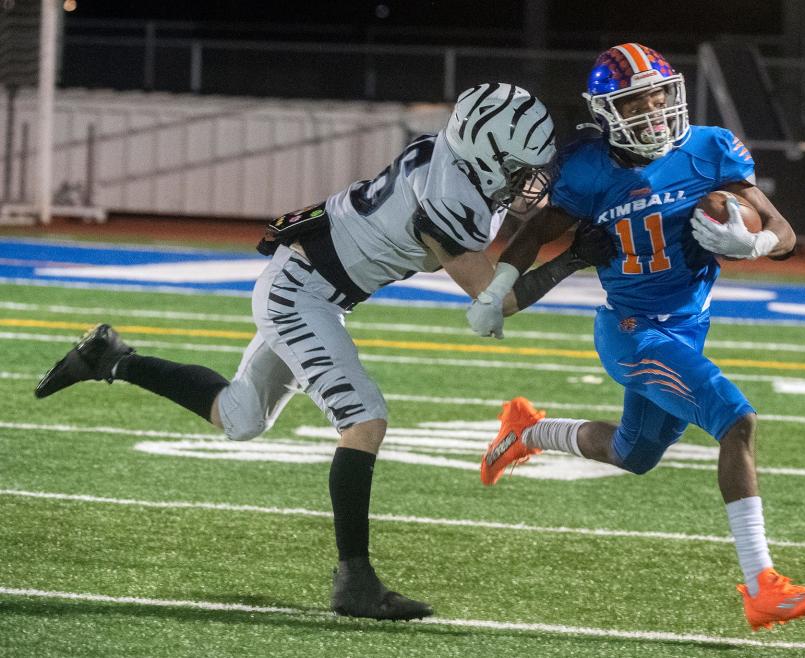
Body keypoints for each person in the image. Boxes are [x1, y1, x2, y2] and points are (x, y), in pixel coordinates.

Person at [34, 82, 572, 621]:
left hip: (311, 284)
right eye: (521, 168)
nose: (531, 182)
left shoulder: (450, 159)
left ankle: (110, 358)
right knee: (365, 420)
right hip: (301, 293)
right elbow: (492, 302)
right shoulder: (449, 199)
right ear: (485, 155)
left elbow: (498, 246)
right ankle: (355, 582)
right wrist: (570, 260)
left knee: (241, 417)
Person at [468, 44, 805, 631]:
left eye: (659, 94)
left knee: (633, 454)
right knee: (735, 420)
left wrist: (755, 243)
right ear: (607, 111)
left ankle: (527, 431)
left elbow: (783, 230)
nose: (654, 109)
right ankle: (762, 584)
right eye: (636, 99)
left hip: (687, 329)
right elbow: (536, 232)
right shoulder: (590, 167)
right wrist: (499, 286)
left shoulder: (710, 148)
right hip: (633, 332)